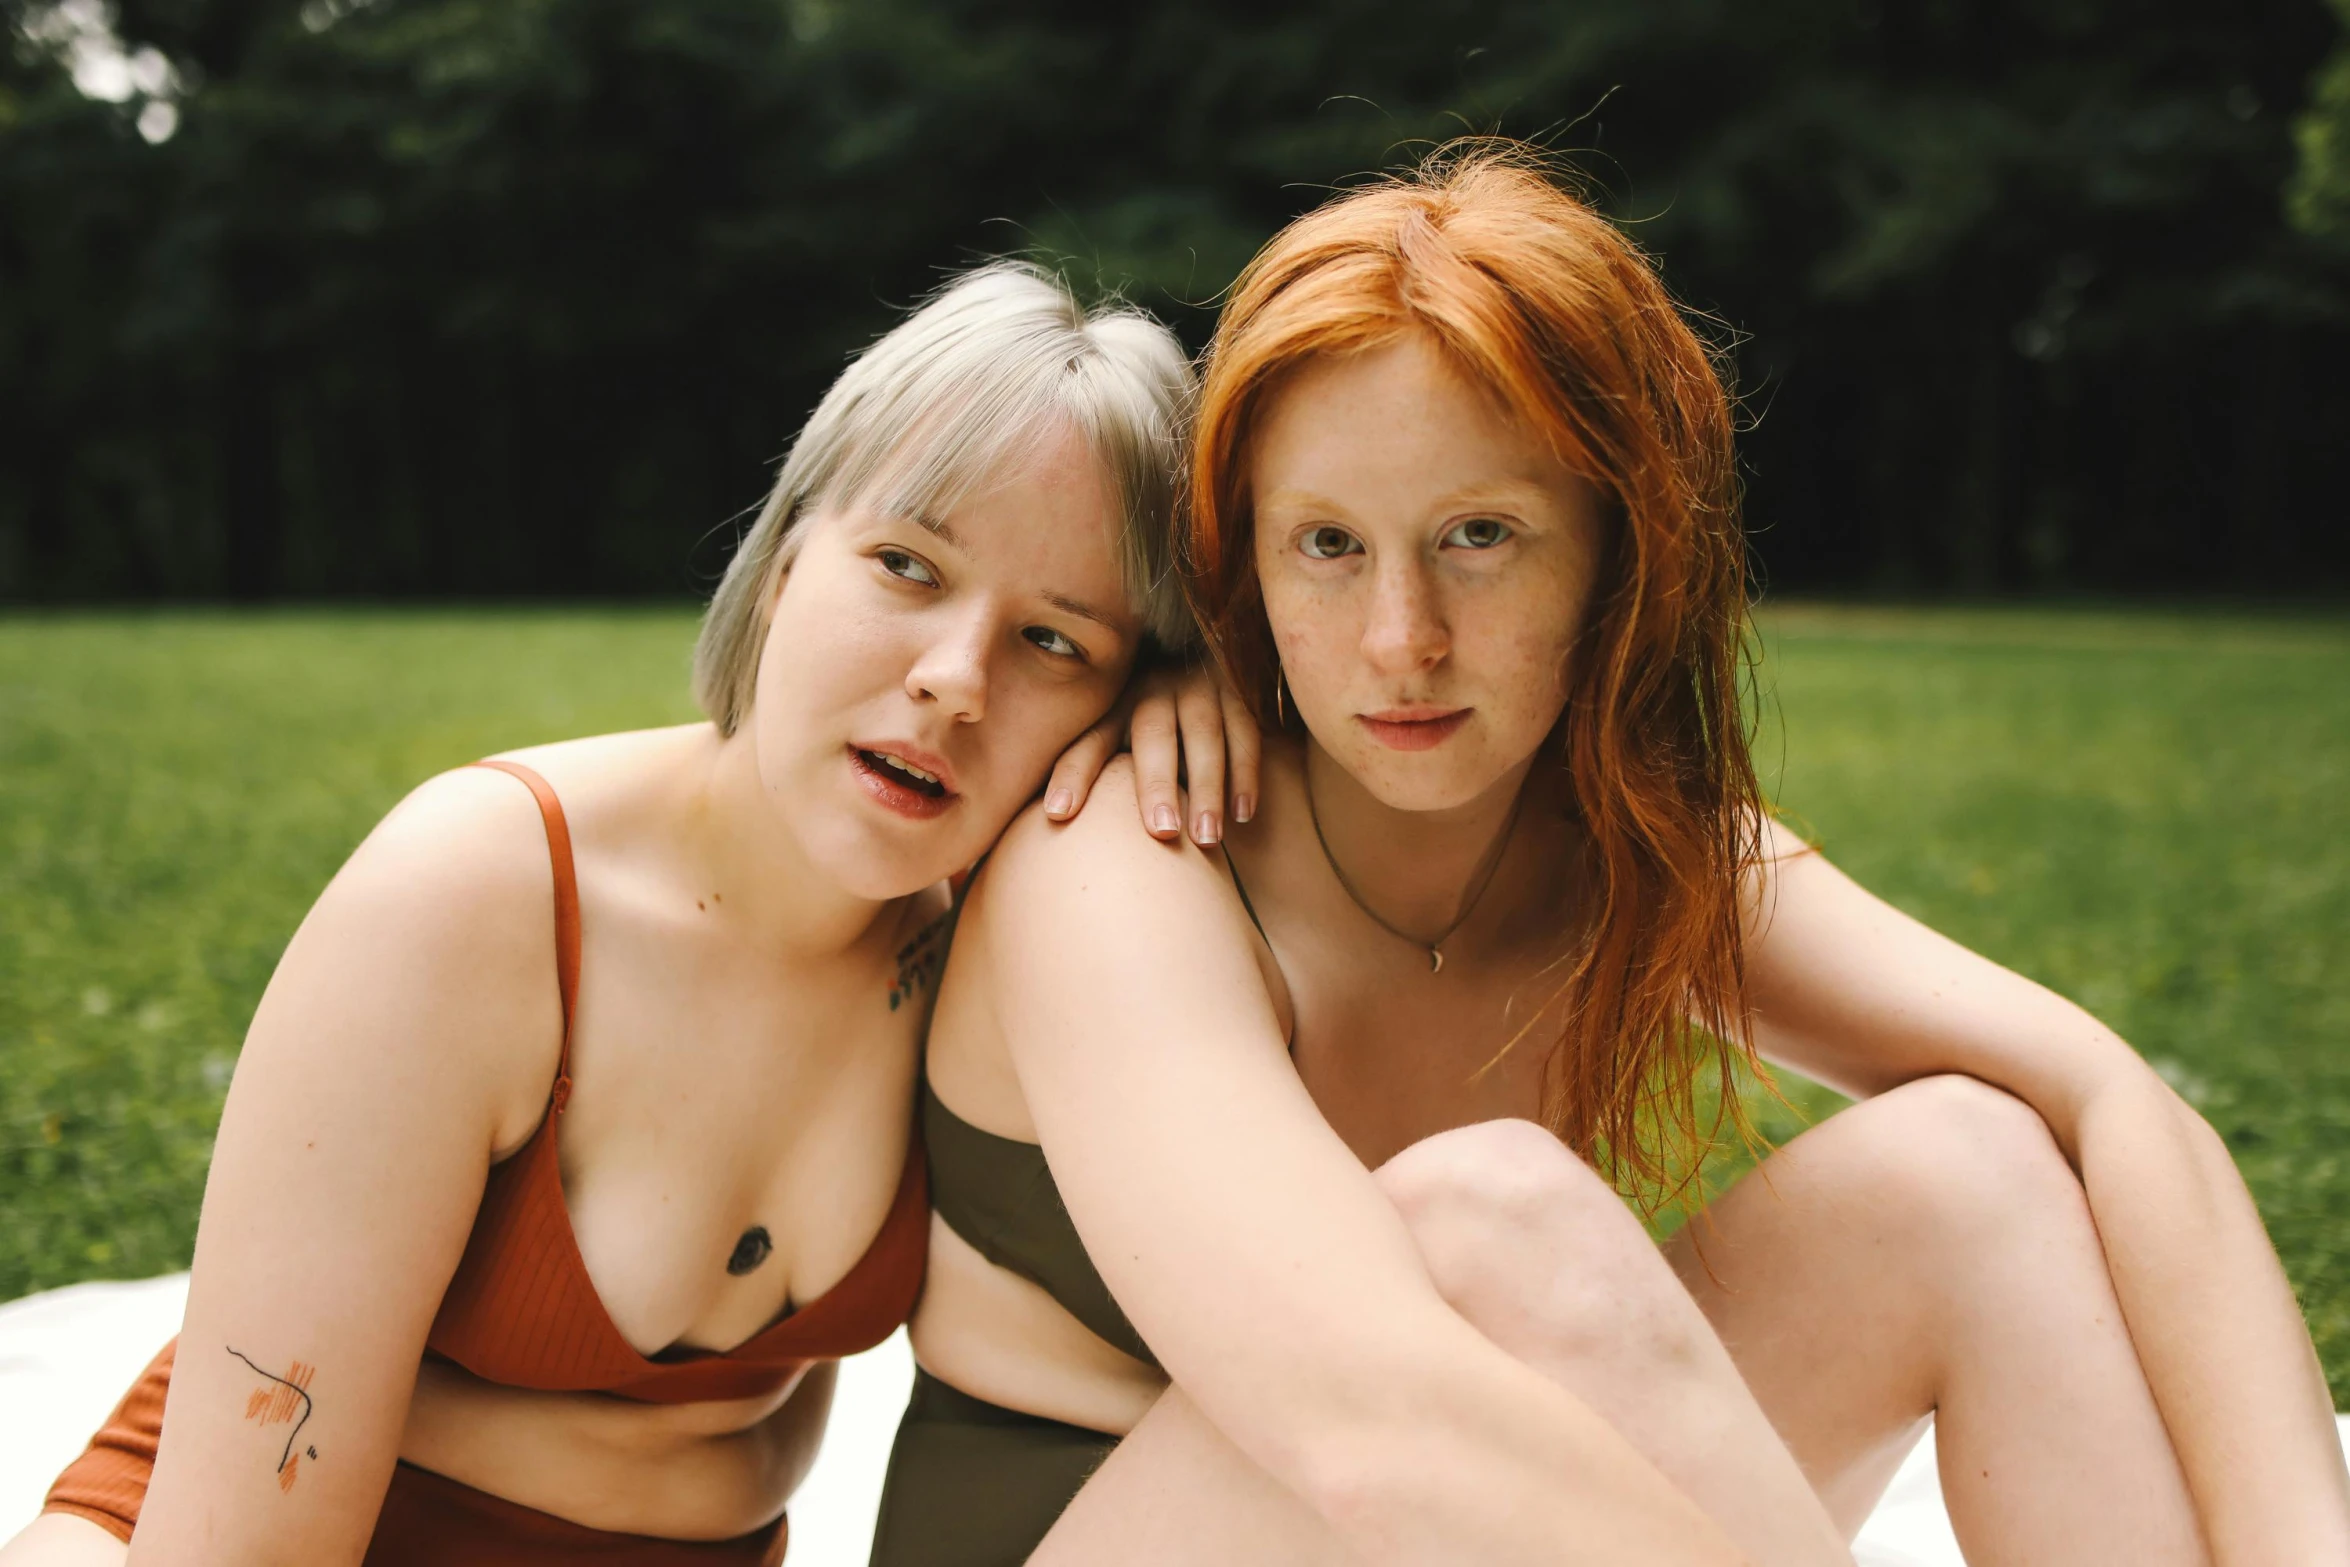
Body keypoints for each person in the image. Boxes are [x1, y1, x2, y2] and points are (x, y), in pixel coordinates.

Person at [877, 148, 2350, 1566]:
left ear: (1614, 550)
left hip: (1481, 1527)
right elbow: (1367, 1424)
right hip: (1111, 1534)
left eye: (1477, 534)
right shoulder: (1125, 852)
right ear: (1243, 562)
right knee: (1485, 1222)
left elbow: (2104, 1097)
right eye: (1325, 544)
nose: (1401, 639)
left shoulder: (1626, 853)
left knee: (1968, 1170)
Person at [2, 261, 1235, 1567]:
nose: (954, 682)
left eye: (1055, 641)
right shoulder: (475, 892)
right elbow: (244, 1534)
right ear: (783, 558)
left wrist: (1214, 706)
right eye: (905, 565)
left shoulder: (1001, 934)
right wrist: (662, 1473)